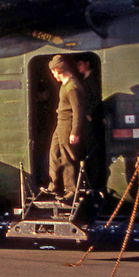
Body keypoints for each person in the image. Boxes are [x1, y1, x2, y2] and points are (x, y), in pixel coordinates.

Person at [45, 55, 86, 202]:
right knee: (54, 154)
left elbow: (78, 111)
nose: (53, 76)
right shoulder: (65, 85)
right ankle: (54, 185)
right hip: (60, 123)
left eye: (53, 73)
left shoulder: (72, 87)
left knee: (67, 157)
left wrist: (75, 132)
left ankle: (71, 190)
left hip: (67, 125)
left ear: (57, 70)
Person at [75, 53, 106, 192]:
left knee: (93, 151)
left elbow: (97, 98)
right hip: (86, 122)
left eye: (80, 64)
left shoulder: (92, 79)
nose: (78, 67)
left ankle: (95, 182)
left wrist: (90, 113)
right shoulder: (85, 79)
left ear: (87, 64)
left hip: (92, 122)